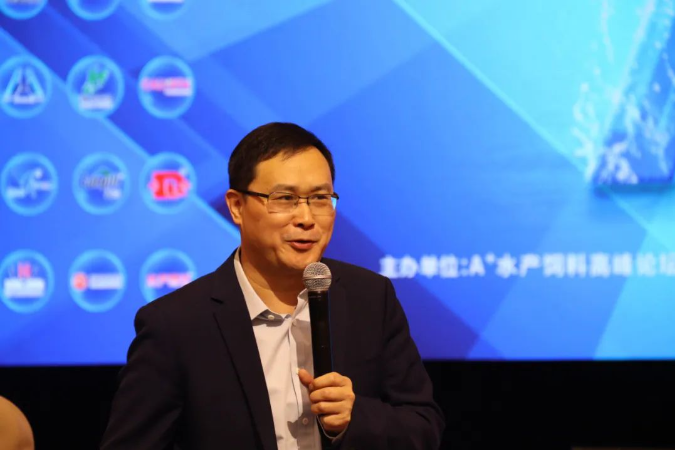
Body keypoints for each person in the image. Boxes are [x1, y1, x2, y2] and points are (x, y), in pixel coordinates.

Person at [101, 123, 444, 449]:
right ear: (237, 206)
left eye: (320, 198)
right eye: (285, 199)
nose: (306, 218)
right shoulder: (176, 325)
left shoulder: (370, 298)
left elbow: (424, 426)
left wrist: (354, 419)